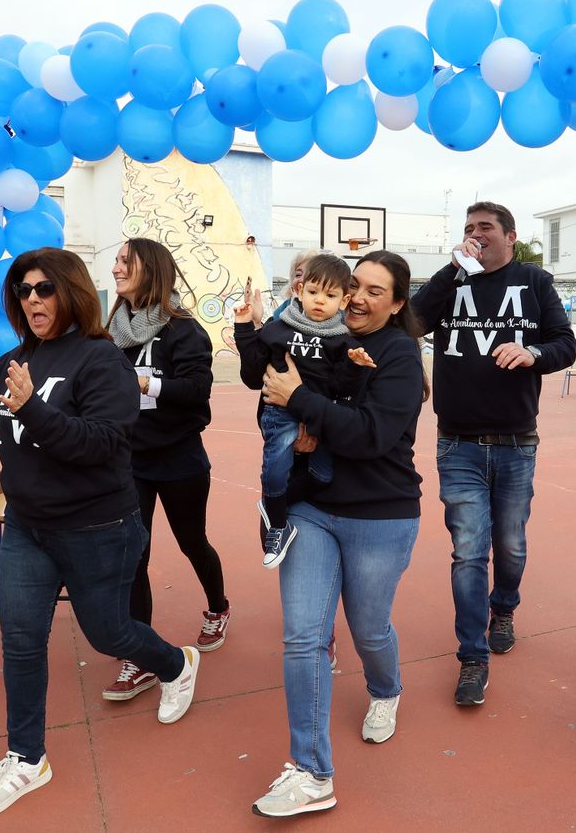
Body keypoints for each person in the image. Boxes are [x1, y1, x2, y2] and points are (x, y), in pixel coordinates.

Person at [0, 248, 201, 820]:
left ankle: (176, 664)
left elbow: (102, 443)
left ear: (71, 291)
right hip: (28, 527)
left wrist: (33, 409)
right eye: (23, 290)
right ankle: (26, 758)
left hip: (98, 528)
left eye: (44, 288)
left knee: (109, 634)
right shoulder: (13, 359)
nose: (32, 299)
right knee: (20, 640)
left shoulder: (101, 359)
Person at [249, 250, 427, 818]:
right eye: (356, 286)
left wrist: (304, 404)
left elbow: (371, 435)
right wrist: (298, 416)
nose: (358, 298)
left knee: (369, 629)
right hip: (311, 508)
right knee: (304, 637)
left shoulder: (399, 354)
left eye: (376, 291)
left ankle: (385, 689)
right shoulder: (314, 334)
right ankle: (310, 772)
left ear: (396, 304)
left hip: (381, 512)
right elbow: (271, 398)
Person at [410, 201, 576, 707]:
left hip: (516, 442)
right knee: (467, 551)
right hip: (457, 442)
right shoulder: (452, 282)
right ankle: (472, 657)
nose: (476, 234)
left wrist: (533, 353)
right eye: (469, 228)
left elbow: (564, 344)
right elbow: (411, 322)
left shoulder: (534, 281)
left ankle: (503, 607)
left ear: (510, 236)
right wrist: (452, 270)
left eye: (485, 227)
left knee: (510, 544)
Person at [102, 238, 230, 702]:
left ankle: (217, 607)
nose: (116, 268)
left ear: (151, 270)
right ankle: (141, 655)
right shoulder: (109, 331)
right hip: (128, 462)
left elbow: (196, 390)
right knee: (134, 552)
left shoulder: (184, 330)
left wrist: (145, 383)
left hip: (178, 458)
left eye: (125, 261)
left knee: (192, 541)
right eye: (116, 260)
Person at [236, 253, 374, 568]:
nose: (319, 301)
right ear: (299, 290)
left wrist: (354, 367)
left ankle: (273, 504)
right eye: (313, 292)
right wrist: (245, 328)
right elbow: (253, 371)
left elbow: (340, 388)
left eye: (330, 295)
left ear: (344, 300)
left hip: (317, 417)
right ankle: (278, 527)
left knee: (323, 475)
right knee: (275, 470)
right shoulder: (278, 328)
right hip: (281, 414)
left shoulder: (342, 341)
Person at [273, 249, 322, 321]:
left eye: (309, 274)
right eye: (298, 274)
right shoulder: (281, 311)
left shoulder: (332, 311)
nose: (302, 279)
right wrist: (257, 322)